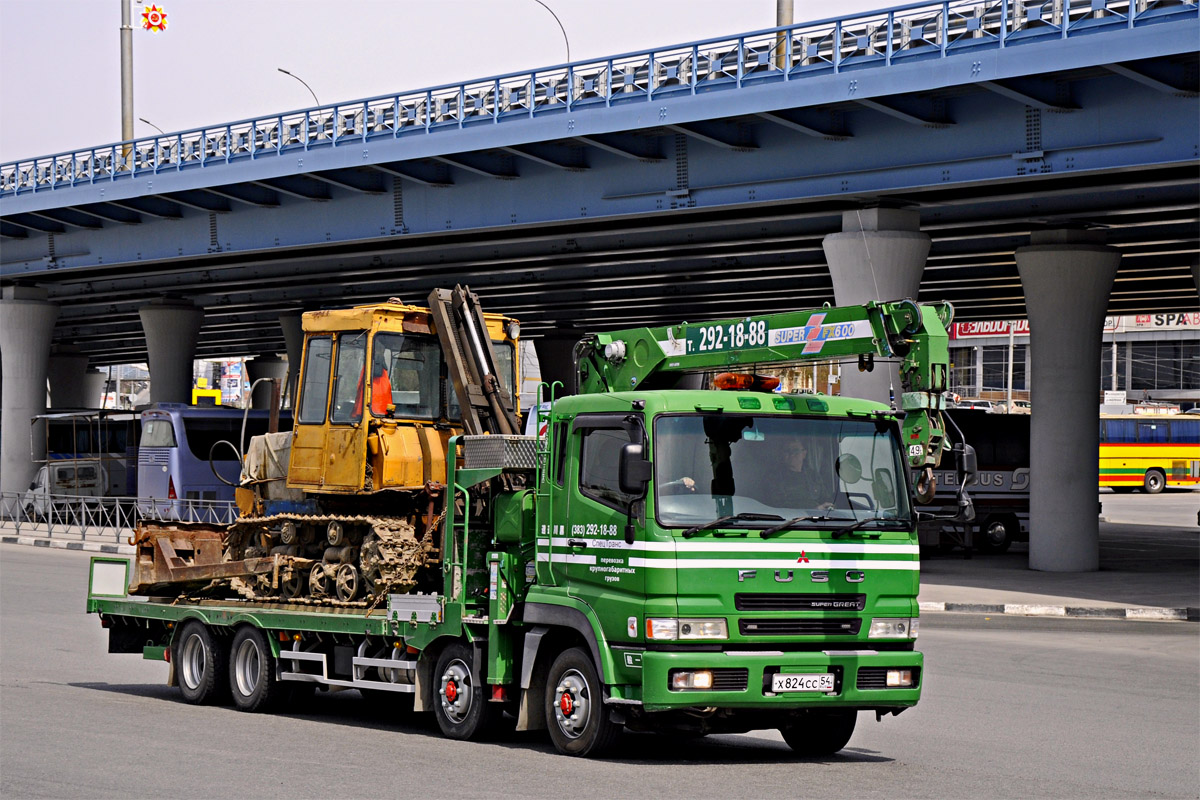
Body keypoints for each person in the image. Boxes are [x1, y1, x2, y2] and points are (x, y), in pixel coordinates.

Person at [777, 436, 836, 511]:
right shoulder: (775, 478)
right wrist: (814, 510)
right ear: (782, 454)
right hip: (790, 520)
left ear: (804, 454)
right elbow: (778, 506)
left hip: (819, 520)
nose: (791, 454)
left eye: (796, 450)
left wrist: (830, 506)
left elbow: (825, 498)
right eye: (787, 451)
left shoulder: (813, 476)